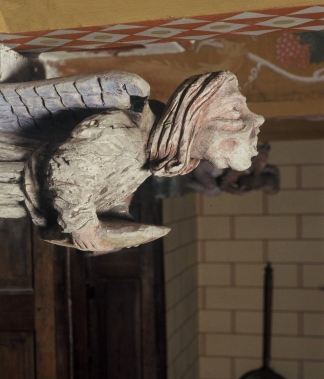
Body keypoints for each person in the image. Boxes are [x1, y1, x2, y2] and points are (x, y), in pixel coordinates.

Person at [24, 71, 264, 250]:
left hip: (46, 204)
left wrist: (117, 217)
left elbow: (110, 178)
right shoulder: (126, 133)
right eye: (234, 110)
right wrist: (82, 225)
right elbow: (69, 169)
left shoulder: (152, 150)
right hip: (21, 182)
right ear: (194, 116)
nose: (256, 121)